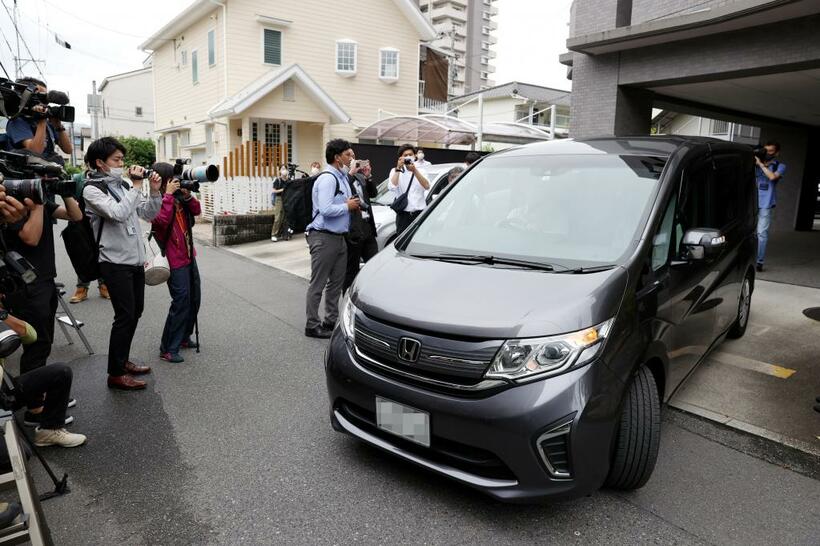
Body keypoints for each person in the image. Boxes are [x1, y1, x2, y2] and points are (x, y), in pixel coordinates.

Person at [82, 137, 163, 390]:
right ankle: (115, 374)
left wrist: (155, 191)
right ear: (100, 162)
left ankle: (122, 359)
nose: (122, 164)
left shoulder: (123, 185)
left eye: (122, 159)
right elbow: (117, 214)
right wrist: (137, 186)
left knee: (134, 312)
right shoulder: (91, 189)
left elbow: (147, 214)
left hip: (134, 260)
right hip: (113, 261)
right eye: (116, 159)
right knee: (125, 315)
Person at [3, 177, 84, 377]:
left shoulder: (40, 203)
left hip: (45, 279)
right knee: (36, 343)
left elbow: (75, 216)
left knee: (44, 340)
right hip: (25, 284)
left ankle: (36, 390)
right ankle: (35, 401)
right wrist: (37, 201)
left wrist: (65, 192)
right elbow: (31, 237)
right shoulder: (14, 205)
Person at [1, 311, 87, 447]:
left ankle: (49, 431)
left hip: (5, 388)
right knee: (14, 457)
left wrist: (3, 315)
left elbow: (30, 336)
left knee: (61, 372)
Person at [304, 139, 360, 339]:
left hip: (338, 238)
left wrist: (350, 203)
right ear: (337, 157)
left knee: (336, 284)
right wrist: (347, 206)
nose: (351, 158)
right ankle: (312, 325)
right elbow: (326, 209)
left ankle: (330, 321)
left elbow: (343, 202)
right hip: (323, 237)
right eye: (348, 155)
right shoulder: (327, 178)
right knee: (318, 284)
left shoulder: (342, 177)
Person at [150, 163, 202, 364]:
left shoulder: (180, 197)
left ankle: (183, 337)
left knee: (194, 297)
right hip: (173, 258)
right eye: (171, 178)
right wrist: (168, 195)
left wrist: (187, 195)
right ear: (163, 180)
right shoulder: (157, 200)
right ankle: (168, 348)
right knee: (181, 300)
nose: (175, 181)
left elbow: (196, 211)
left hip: (189, 254)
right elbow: (160, 221)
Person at [4, 77, 72, 164]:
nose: (44, 101)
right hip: (29, 173)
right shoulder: (17, 122)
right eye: (39, 96)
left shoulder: (47, 123)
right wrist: (42, 119)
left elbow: (68, 150)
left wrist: (58, 126)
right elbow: (35, 152)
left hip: (49, 172)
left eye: (45, 97)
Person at [344, 158, 378, 291]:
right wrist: (351, 172)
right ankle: (348, 296)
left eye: (354, 156)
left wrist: (368, 175)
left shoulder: (360, 176)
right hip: (354, 228)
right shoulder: (343, 176)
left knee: (373, 263)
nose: (352, 158)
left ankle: (371, 293)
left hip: (367, 226)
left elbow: (373, 193)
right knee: (352, 268)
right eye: (349, 156)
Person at [754, 141, 786, 272]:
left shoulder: (780, 165)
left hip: (765, 204)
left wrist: (761, 165)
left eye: (771, 151)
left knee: (761, 233)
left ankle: (759, 261)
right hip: (750, 203)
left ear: (777, 153)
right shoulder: (754, 164)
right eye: (765, 150)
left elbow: (772, 177)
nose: (767, 153)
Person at [389, 144, 430, 236]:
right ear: (401, 157)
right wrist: (398, 168)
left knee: (419, 239)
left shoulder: (421, 171)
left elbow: (427, 186)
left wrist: (414, 171)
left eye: (410, 154)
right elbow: (392, 186)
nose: (408, 157)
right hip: (403, 215)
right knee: (402, 242)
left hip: (419, 213)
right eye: (405, 155)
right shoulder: (395, 170)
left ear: (415, 156)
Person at [270, 167, 293, 242]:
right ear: (280, 171)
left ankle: (284, 234)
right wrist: (282, 190)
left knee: (285, 217)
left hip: (287, 199)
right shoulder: (278, 180)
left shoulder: (289, 180)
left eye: (285, 169)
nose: (284, 171)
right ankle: (274, 234)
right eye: (282, 169)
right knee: (278, 217)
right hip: (279, 199)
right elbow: (273, 190)